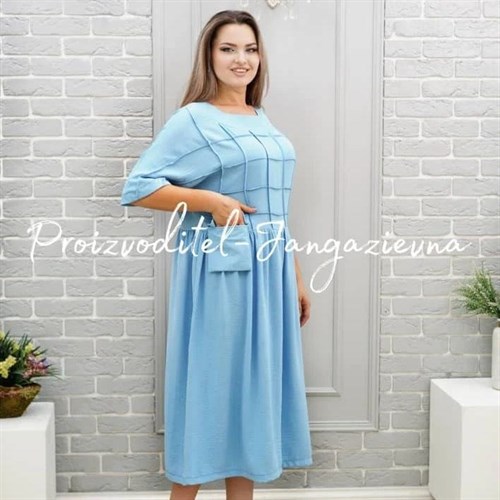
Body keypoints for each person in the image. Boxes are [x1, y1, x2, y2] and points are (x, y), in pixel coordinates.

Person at [120, 10, 312, 500]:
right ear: (209, 55)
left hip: (270, 274)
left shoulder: (260, 117)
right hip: (222, 277)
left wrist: (295, 275)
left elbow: (277, 211)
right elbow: (138, 187)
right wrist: (210, 201)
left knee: (249, 397)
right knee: (214, 389)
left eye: (250, 49)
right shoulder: (194, 119)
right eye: (228, 49)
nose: (240, 59)